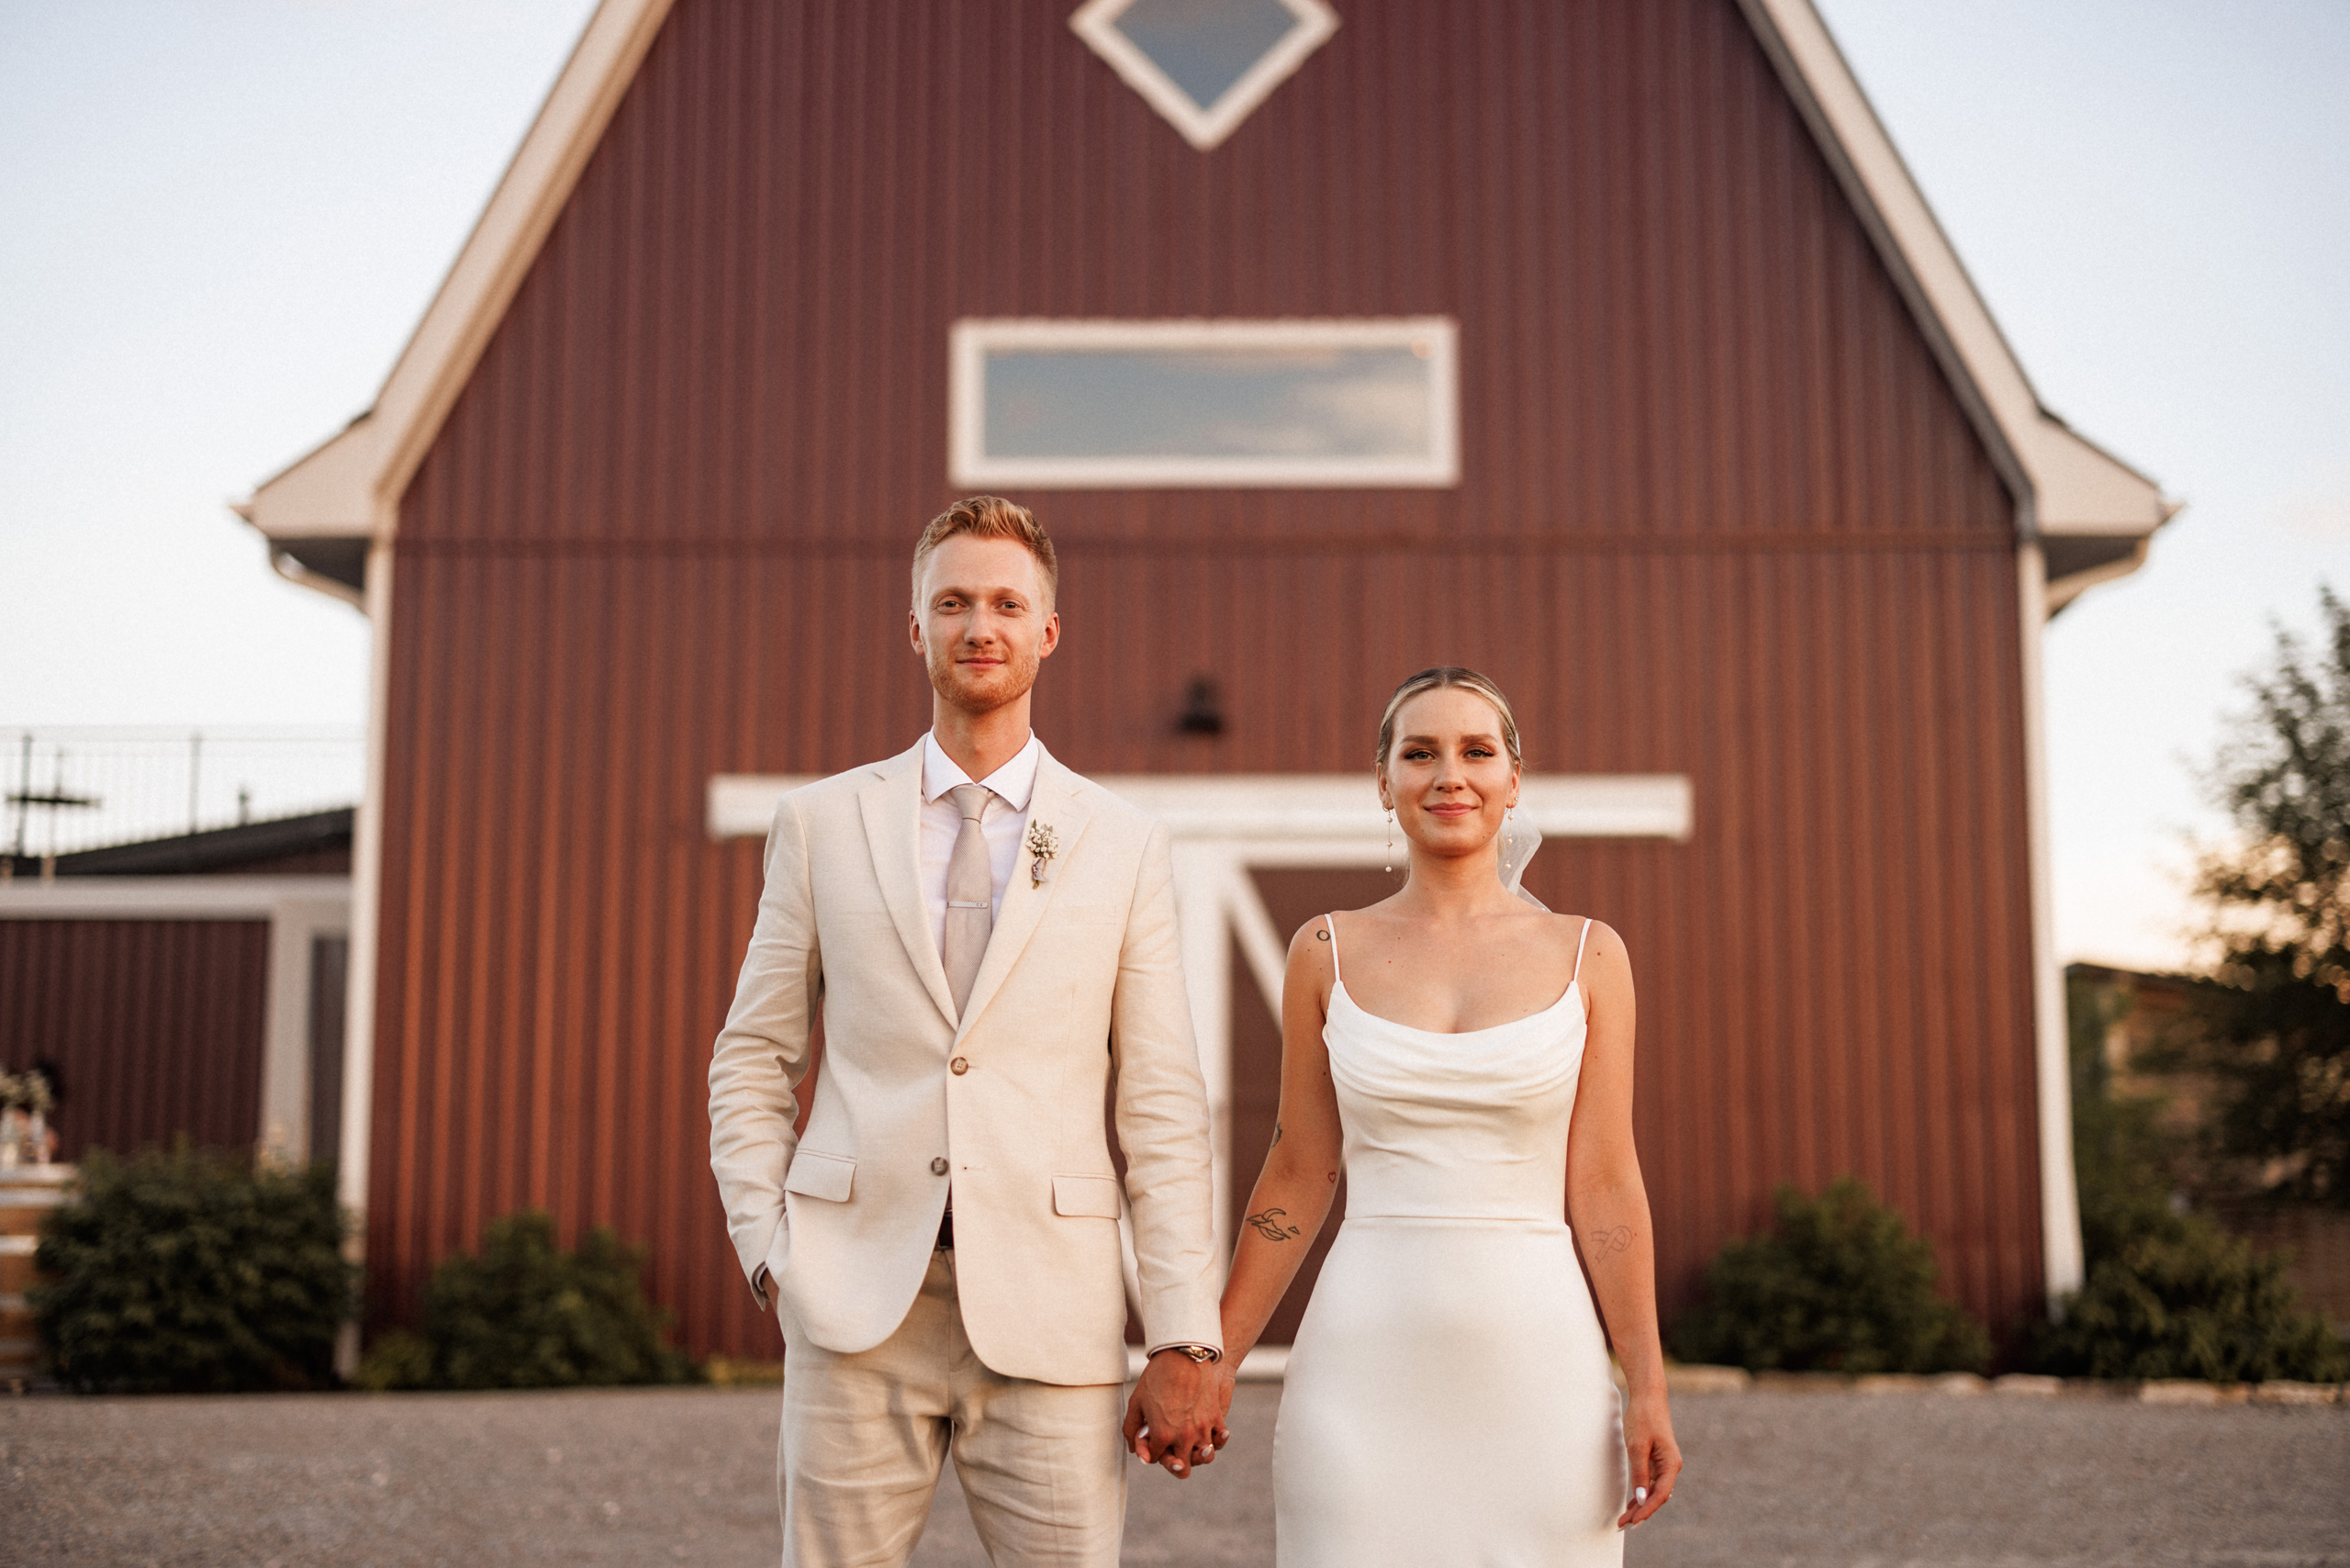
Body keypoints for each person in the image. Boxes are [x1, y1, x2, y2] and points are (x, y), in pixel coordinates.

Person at [708, 497, 1229, 1568]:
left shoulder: (1122, 843)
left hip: (1053, 1308)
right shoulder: (820, 823)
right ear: (916, 628)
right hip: (854, 1301)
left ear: (1047, 630)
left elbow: (1162, 1101)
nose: (977, 625)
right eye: (951, 602)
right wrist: (769, 1250)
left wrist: (1182, 1327)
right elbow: (756, 1053)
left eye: (1004, 603)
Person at [1216, 666, 1683, 1565]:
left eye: (1476, 750)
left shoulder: (1590, 953)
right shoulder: (1324, 949)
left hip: (1540, 1365)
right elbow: (1297, 1168)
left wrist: (1648, 1389)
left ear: (1514, 778)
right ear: (1383, 781)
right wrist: (1214, 1358)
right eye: (1418, 752)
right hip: (1361, 1364)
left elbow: (1607, 1183)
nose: (1449, 775)